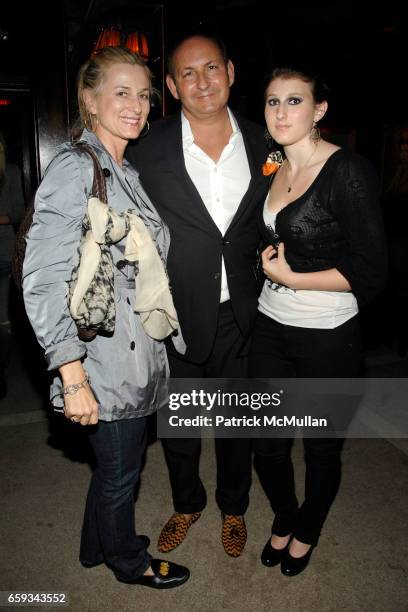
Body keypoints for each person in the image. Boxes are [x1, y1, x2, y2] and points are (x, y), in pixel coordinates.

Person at [22, 46, 189, 589]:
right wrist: (71, 377)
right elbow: (43, 278)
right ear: (89, 99)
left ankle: (95, 548)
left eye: (143, 94)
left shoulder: (122, 169)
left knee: (115, 469)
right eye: (122, 92)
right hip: (101, 362)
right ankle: (128, 560)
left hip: (131, 355)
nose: (137, 105)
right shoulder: (76, 166)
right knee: (122, 475)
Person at [127, 33, 269, 557]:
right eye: (188, 73)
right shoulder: (149, 145)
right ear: (170, 85)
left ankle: (235, 507)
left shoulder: (264, 143)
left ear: (230, 72)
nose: (202, 81)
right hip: (176, 314)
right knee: (181, 426)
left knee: (237, 424)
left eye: (211, 68)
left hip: (246, 312)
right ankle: (188, 503)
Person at [248, 66, 387, 576]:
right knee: (266, 442)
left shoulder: (348, 170)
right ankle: (285, 517)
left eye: (293, 101)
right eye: (271, 102)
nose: (280, 112)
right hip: (269, 325)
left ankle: (307, 530)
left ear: (319, 111)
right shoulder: (274, 166)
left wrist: (295, 278)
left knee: (321, 445)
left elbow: (371, 270)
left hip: (328, 334)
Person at [0, 131, 25, 399]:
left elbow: (19, 211)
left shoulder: (10, 172)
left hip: (5, 255)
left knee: (3, 323)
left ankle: (1, 369)